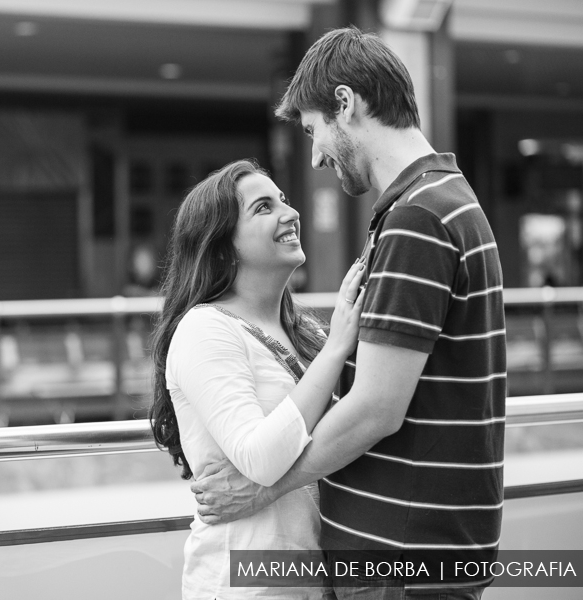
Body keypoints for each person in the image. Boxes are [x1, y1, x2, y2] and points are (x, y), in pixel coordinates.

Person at [190, 27, 506, 600]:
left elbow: (376, 410)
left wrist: (261, 492)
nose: (313, 154)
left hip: (401, 560)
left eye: (313, 130)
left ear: (345, 103)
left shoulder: (419, 217)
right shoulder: (441, 201)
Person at [150, 158, 367, 598]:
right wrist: (338, 347)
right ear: (222, 246)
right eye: (264, 207)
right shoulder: (205, 329)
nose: (291, 213)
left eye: (284, 200)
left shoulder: (305, 332)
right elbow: (260, 458)